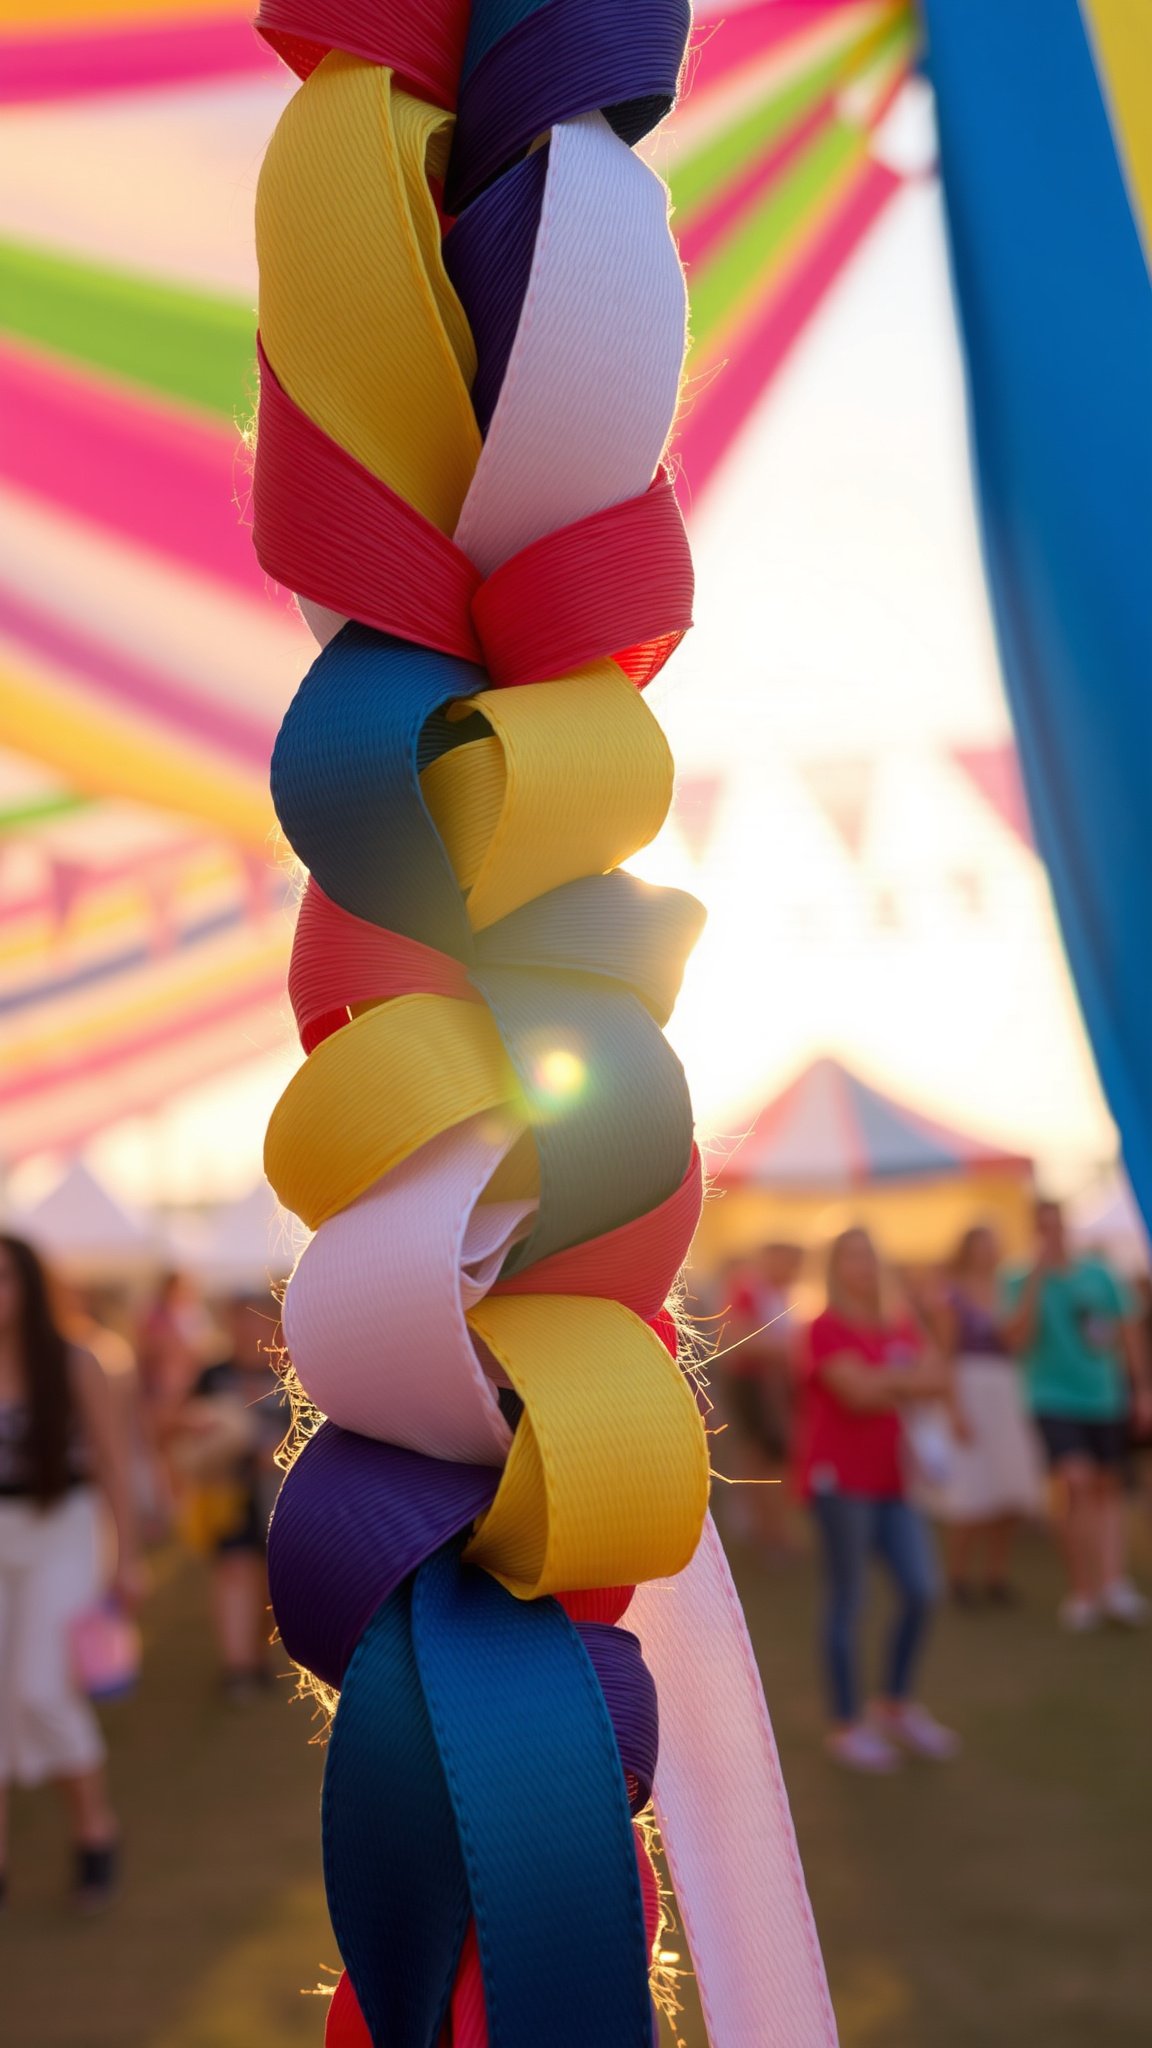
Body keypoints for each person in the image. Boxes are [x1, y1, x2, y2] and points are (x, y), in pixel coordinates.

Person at [0, 1234, 143, 1912]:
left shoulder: (76, 1359)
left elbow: (115, 1466)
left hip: (63, 1527)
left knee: (40, 1689)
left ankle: (95, 1832)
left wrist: (129, 1558)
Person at [795, 1228, 959, 1772]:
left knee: (922, 1590)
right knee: (849, 1600)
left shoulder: (898, 1322)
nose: (862, 1267)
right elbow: (856, 1395)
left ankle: (893, 1704)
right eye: (851, 1258)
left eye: (869, 1257)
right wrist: (903, 1378)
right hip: (839, 1480)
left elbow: (938, 1378)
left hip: (893, 1480)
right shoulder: (824, 1327)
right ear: (834, 1268)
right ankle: (847, 1725)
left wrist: (887, 1378)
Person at [1004, 1198, 1152, 1631]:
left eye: (1057, 1225)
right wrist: (1034, 1280)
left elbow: (1128, 1331)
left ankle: (1113, 1583)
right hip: (1050, 1396)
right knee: (1074, 1483)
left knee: (1106, 1490)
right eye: (1043, 1226)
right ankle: (1083, 1588)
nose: (1052, 1234)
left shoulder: (1100, 1274)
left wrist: (1141, 1389)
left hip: (1103, 1396)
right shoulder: (1017, 1278)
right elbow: (1015, 1338)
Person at [173, 1297, 289, 1700]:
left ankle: (257, 1656)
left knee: (274, 1583)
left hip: (282, 1495)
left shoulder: (292, 1372)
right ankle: (238, 1667)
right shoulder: (214, 1373)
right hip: (227, 1493)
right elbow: (177, 1421)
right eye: (239, 1321)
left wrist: (274, 1454)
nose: (247, 1331)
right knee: (236, 1570)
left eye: (256, 1322)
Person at [927, 1225, 1044, 1604]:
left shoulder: (1008, 1289)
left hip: (1006, 1388)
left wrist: (1031, 1290)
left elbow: (1018, 1340)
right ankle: (957, 1576)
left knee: (1009, 1487)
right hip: (970, 1387)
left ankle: (997, 1574)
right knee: (971, 1491)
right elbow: (946, 1355)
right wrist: (954, 1408)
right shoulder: (952, 1294)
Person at [723, 1243, 804, 1552]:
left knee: (772, 1459)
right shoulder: (750, 1290)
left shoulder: (783, 1293)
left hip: (774, 1384)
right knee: (764, 1460)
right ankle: (768, 1530)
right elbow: (739, 1339)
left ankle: (771, 1527)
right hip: (754, 1384)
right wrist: (790, 1351)